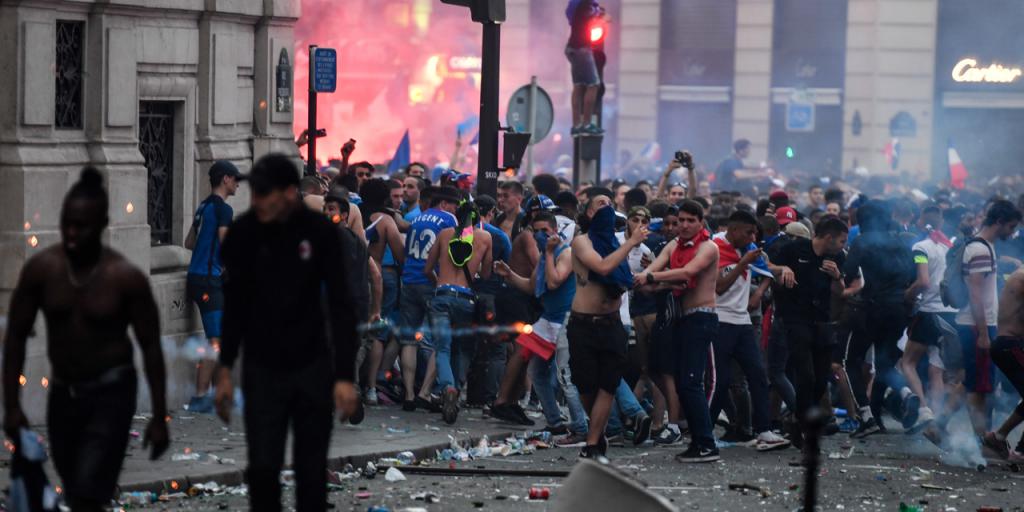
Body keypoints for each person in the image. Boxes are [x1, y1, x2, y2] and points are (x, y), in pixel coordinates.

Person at [3, 168, 170, 511]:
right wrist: (12, 406)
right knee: (74, 484)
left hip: (112, 392)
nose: (72, 233)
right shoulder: (43, 270)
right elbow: (16, 336)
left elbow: (151, 345)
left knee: (90, 489)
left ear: (102, 224)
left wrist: (158, 414)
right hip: (65, 394)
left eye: (82, 225)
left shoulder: (124, 278)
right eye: (67, 224)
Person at [213, 154, 359, 512]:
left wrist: (344, 376)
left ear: (290, 193)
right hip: (263, 367)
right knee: (263, 468)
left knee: (311, 472)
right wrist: (225, 368)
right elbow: (235, 307)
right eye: (256, 192)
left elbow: (342, 307)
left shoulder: (320, 232)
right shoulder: (244, 234)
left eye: (267, 193)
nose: (258, 200)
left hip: (312, 363)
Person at [634, 200, 720, 463]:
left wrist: (650, 279)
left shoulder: (709, 247)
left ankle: (706, 444)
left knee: (691, 383)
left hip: (701, 318)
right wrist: (645, 278)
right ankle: (698, 441)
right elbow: (656, 267)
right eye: (680, 220)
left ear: (700, 223)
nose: (683, 225)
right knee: (682, 382)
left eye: (689, 221)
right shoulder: (674, 246)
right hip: (681, 319)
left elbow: (688, 271)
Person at [568, 188, 648, 458]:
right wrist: (630, 243)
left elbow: (622, 277)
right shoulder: (582, 242)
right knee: (586, 387)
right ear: (589, 213)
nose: (606, 207)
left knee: (608, 385)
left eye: (610, 204)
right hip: (584, 325)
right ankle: (597, 432)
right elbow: (602, 267)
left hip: (612, 325)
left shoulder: (616, 244)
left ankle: (592, 443)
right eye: (600, 204)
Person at [706, 211, 792, 451]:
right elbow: (720, 287)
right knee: (719, 381)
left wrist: (759, 290)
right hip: (719, 320)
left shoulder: (750, 247)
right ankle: (704, 433)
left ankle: (763, 430)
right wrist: (743, 264)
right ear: (733, 231)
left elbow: (766, 270)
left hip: (743, 321)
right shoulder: (714, 248)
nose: (753, 237)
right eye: (749, 232)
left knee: (758, 374)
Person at [770, 216, 851, 450]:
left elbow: (840, 292)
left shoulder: (837, 257)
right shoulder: (793, 249)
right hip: (795, 319)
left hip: (822, 321)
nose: (843, 245)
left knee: (820, 379)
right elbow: (768, 267)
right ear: (828, 237)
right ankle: (804, 428)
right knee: (805, 375)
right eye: (842, 241)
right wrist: (782, 268)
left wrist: (837, 276)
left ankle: (797, 420)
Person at [491, 212, 575, 431]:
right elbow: (531, 285)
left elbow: (555, 282)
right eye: (535, 230)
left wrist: (547, 253)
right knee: (535, 369)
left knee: (567, 376)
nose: (539, 235)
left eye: (544, 231)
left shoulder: (565, 253)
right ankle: (554, 421)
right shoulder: (546, 254)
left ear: (555, 230)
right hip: (547, 321)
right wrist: (509, 274)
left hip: (562, 323)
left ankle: (582, 426)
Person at [842, 200, 918, 437]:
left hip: (873, 309)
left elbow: (849, 273)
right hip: (899, 311)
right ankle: (906, 392)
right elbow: (912, 275)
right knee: (884, 363)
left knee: (851, 361)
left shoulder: (862, 241)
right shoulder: (901, 241)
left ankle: (866, 417)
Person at [423, 198, 493, 424]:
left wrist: (439, 283)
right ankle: (458, 388)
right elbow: (488, 274)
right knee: (463, 349)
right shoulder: (485, 237)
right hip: (465, 299)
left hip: (442, 295)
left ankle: (447, 387)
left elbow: (427, 269)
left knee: (442, 348)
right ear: (477, 218)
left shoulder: (444, 234)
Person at [955, 200, 1021, 436]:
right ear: (1000, 222)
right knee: (979, 388)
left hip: (979, 323)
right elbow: (975, 294)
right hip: (976, 325)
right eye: (1011, 226)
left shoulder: (984, 247)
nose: (1013, 232)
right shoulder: (981, 249)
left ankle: (939, 424)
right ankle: (983, 442)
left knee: (976, 382)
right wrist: (983, 333)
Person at [183, 160, 240, 414]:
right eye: (235, 179)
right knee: (215, 341)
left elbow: (188, 242)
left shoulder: (203, 206)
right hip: (209, 281)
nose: (237, 183)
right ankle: (199, 397)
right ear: (226, 179)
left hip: (197, 276)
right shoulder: (223, 210)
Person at [398, 187, 460, 412]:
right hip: (432, 282)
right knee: (440, 342)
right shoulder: (449, 219)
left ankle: (409, 395)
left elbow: (407, 251)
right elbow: (458, 249)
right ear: (444, 204)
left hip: (409, 281)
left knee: (409, 340)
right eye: (454, 205)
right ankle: (425, 393)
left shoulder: (417, 219)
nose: (456, 209)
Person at [900, 206, 959, 430]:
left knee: (908, 362)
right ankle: (937, 420)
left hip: (929, 312)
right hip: (950, 314)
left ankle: (924, 409)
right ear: (941, 223)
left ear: (921, 221)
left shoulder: (920, 247)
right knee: (937, 370)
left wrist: (908, 294)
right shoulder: (950, 247)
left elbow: (923, 281)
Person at [982, 268, 1024, 462]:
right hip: (1010, 345)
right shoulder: (1021, 277)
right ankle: (997, 438)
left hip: (1012, 345)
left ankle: (1016, 448)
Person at [565, 0, 604, 135]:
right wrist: (602, 16)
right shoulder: (587, 5)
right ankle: (586, 124)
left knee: (579, 85)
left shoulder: (575, 5)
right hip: (582, 48)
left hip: (571, 48)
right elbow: (596, 15)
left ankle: (576, 125)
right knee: (593, 85)